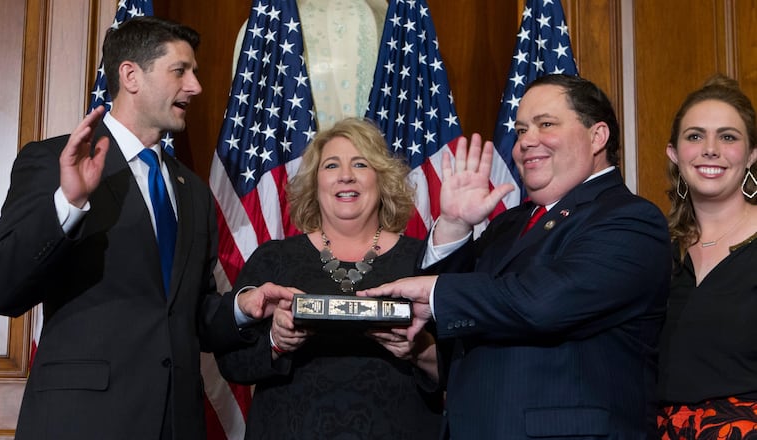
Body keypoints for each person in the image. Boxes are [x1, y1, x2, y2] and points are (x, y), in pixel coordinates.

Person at [0, 16, 292, 440]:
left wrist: (241, 306)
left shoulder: (192, 191)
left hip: (177, 424)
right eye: (181, 71)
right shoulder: (54, 161)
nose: (195, 86)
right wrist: (68, 204)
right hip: (82, 423)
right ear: (131, 76)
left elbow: (189, 312)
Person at [361, 74, 672, 438]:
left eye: (546, 124)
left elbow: (543, 303)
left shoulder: (630, 219)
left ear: (597, 136)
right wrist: (455, 225)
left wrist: (435, 295)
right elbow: (460, 321)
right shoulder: (508, 224)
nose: (527, 141)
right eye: (522, 130)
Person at [214, 117, 443, 439]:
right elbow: (232, 364)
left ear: (382, 178)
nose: (346, 176)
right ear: (314, 182)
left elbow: (468, 366)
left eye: (360, 164)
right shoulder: (273, 259)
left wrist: (420, 348)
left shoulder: (426, 261)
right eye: (332, 165)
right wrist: (275, 343)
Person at [657, 75, 757, 439]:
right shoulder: (656, 249)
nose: (710, 149)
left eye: (728, 137)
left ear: (751, 155)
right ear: (674, 153)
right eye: (695, 136)